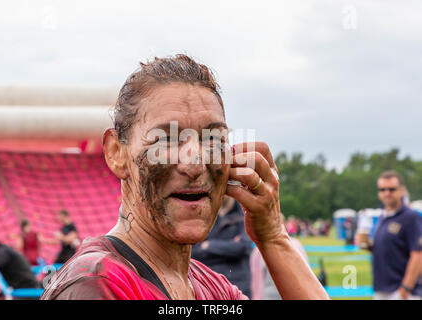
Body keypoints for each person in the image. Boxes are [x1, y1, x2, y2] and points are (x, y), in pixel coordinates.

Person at [41, 54, 329, 300]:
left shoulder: (213, 288)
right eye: (167, 139)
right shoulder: (96, 282)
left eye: (213, 138)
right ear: (117, 153)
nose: (195, 164)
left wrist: (273, 237)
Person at [356, 170, 422, 300]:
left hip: (401, 292)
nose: (387, 193)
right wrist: (367, 245)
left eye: (391, 189)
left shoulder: (410, 217)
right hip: (382, 289)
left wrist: (405, 289)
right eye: (382, 189)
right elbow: (388, 248)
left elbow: (418, 254)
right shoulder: (383, 217)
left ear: (401, 190)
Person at [191, 195, 253, 297]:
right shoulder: (205, 217)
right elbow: (193, 252)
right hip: (209, 287)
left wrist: (208, 245)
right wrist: (229, 248)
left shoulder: (244, 216)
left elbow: (243, 247)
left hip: (238, 286)